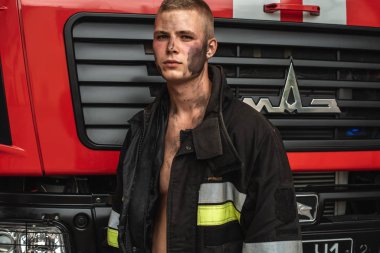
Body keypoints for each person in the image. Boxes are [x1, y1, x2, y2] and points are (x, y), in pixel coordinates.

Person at [107, 0, 302, 252]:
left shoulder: (250, 133)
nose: (171, 47)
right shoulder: (142, 131)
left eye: (185, 36)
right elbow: (119, 230)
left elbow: (275, 241)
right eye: (162, 36)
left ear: (210, 48)